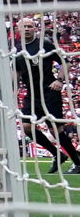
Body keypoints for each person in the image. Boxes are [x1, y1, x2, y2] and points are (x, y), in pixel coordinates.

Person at [13, 16, 78, 176]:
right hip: (31, 95)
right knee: (26, 127)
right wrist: (12, 90)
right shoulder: (17, 49)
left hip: (49, 93)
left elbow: (66, 62)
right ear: (18, 29)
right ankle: (57, 154)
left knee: (56, 129)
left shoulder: (45, 45)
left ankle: (77, 162)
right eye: (24, 26)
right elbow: (17, 72)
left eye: (30, 26)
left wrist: (60, 80)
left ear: (35, 28)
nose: (27, 29)